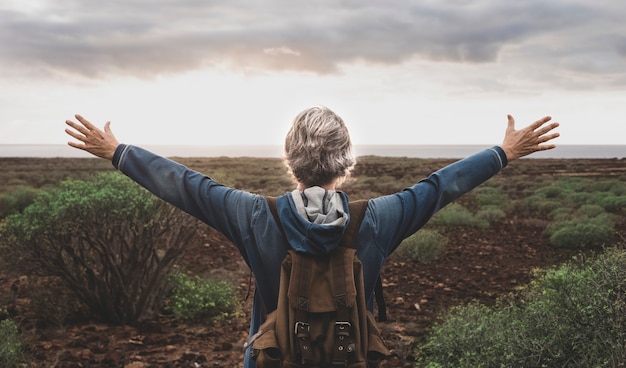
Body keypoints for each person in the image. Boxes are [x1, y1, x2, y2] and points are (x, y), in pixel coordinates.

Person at [65, 106, 559, 367]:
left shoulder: (253, 216)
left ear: (289, 160)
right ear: (347, 163)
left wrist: (118, 151)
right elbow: (437, 188)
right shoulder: (380, 218)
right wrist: (502, 153)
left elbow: (189, 186)